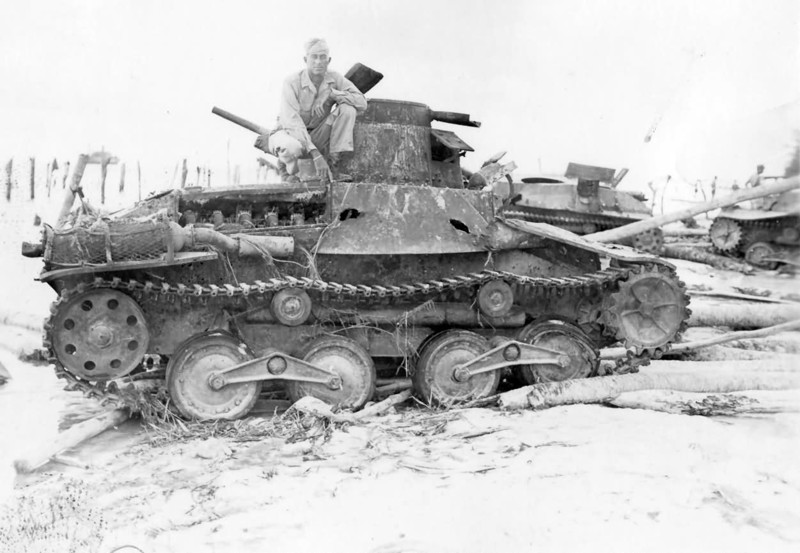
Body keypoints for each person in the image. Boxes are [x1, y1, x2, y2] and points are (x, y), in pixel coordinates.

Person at [256, 38, 367, 182]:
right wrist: (316, 154)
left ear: (329, 60)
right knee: (291, 146)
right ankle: (286, 171)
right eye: (314, 57)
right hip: (290, 135)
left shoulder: (334, 78)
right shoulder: (292, 82)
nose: (318, 62)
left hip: (317, 135)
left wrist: (332, 93)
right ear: (305, 59)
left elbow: (362, 102)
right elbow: (292, 123)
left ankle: (334, 164)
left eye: (322, 57)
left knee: (347, 109)